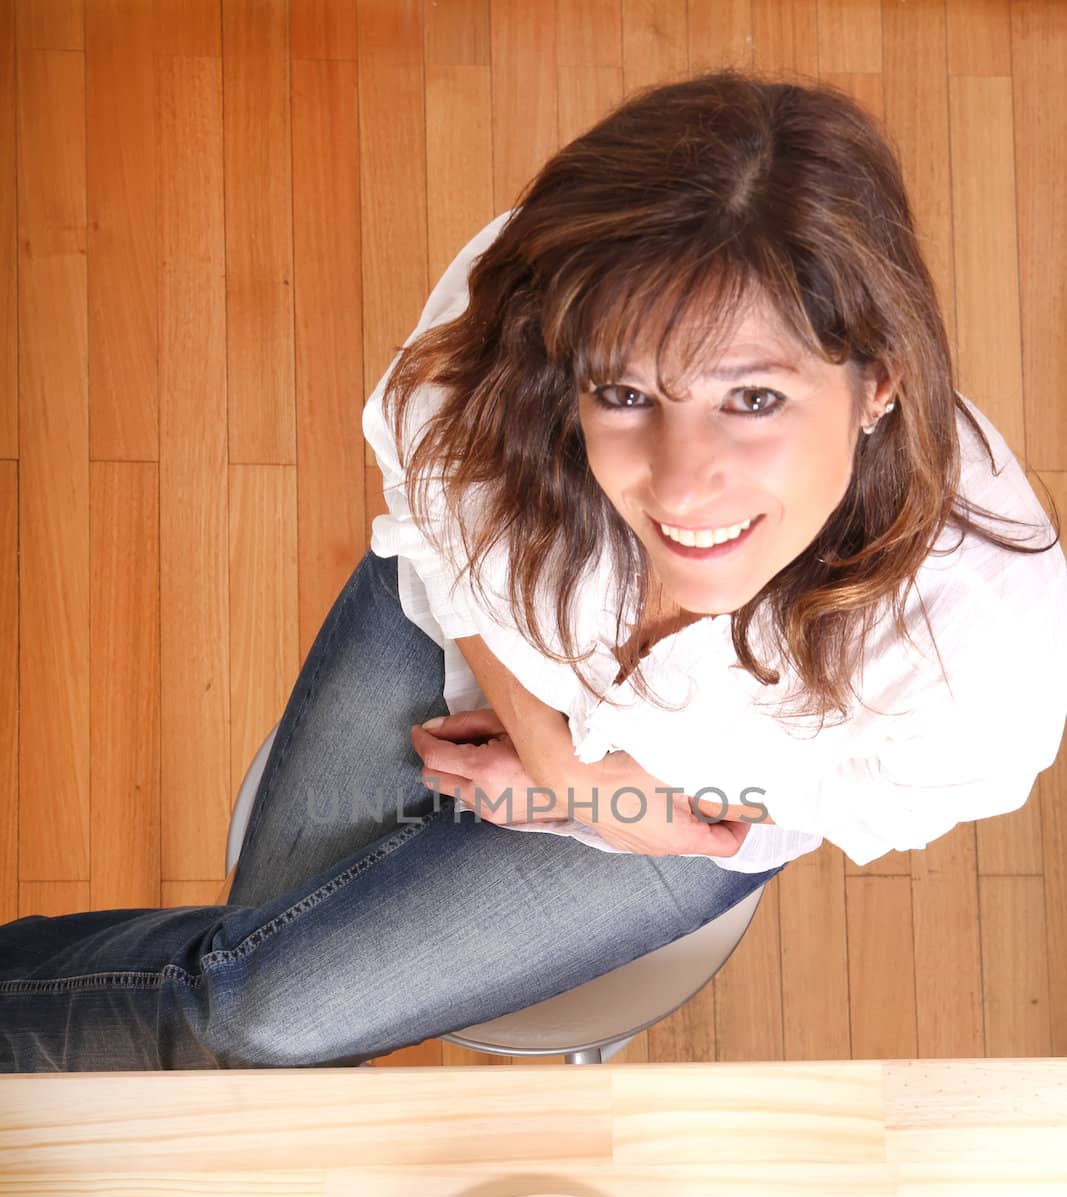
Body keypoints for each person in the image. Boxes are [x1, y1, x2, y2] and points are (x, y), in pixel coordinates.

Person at [1, 68, 1064, 1071]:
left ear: (877, 378)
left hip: (677, 816)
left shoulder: (980, 635)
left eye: (751, 400)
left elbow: (875, 796)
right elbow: (428, 494)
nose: (680, 490)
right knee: (248, 1012)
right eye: (625, 395)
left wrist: (634, 807)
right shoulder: (526, 302)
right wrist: (555, 757)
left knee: (252, 1013)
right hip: (454, 631)